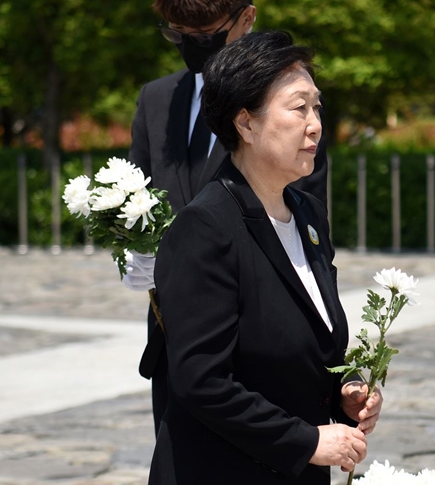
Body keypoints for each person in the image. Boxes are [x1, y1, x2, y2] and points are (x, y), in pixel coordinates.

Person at [149, 31, 382, 484]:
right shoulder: (205, 229)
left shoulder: (308, 214)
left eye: (317, 107)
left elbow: (308, 341)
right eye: (298, 108)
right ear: (246, 124)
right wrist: (307, 442)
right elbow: (203, 381)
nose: (314, 124)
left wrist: (344, 390)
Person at [123, 0, 329, 435]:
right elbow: (135, 196)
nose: (193, 45)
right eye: (178, 33)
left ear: (247, 17)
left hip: (261, 336)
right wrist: (134, 254)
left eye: (207, 33)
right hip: (174, 331)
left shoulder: (290, 106)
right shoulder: (156, 98)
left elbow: (304, 229)